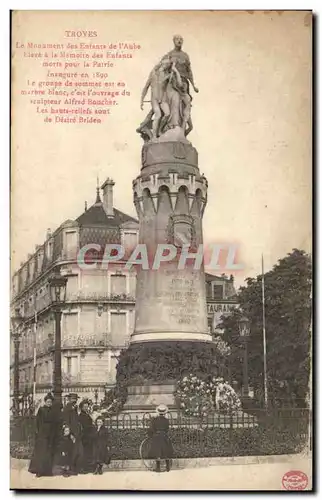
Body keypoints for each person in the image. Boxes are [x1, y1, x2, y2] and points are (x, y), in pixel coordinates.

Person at [28, 393, 57, 477]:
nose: (49, 403)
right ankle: (39, 471)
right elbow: (37, 421)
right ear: (45, 402)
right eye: (48, 401)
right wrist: (37, 431)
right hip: (42, 434)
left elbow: (55, 423)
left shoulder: (53, 411)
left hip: (51, 434)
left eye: (50, 402)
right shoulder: (41, 410)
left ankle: (47, 471)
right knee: (41, 453)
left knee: (49, 452)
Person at [61, 393, 84, 474]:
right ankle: (67, 470)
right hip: (71, 434)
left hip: (77, 433)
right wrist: (70, 434)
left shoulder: (75, 408)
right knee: (70, 452)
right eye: (73, 399)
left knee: (77, 452)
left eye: (75, 399)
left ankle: (75, 468)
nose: (74, 400)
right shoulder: (67, 408)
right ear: (69, 399)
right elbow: (66, 421)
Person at [147, 404, 173, 473]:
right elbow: (167, 429)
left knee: (157, 452)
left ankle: (158, 468)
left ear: (158, 412)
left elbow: (152, 429)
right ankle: (167, 467)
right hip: (164, 436)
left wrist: (151, 435)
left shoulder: (154, 420)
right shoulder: (166, 420)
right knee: (165, 451)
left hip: (157, 436)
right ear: (164, 413)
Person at [78, 399, 95, 473]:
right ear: (81, 407)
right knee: (86, 452)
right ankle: (85, 468)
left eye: (87, 406)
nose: (86, 408)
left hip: (89, 436)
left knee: (89, 452)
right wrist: (92, 426)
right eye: (84, 406)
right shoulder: (81, 415)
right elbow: (85, 426)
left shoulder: (86, 414)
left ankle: (88, 468)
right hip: (85, 436)